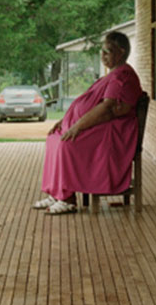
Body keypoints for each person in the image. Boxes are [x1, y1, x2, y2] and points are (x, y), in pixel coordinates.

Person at [32, 30, 144, 215]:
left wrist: (77, 126)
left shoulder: (122, 76)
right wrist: (65, 120)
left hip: (112, 133)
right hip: (100, 126)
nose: (102, 56)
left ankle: (68, 200)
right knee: (54, 138)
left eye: (107, 51)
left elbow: (107, 108)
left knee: (66, 144)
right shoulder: (112, 74)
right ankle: (57, 192)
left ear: (121, 52)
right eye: (102, 51)